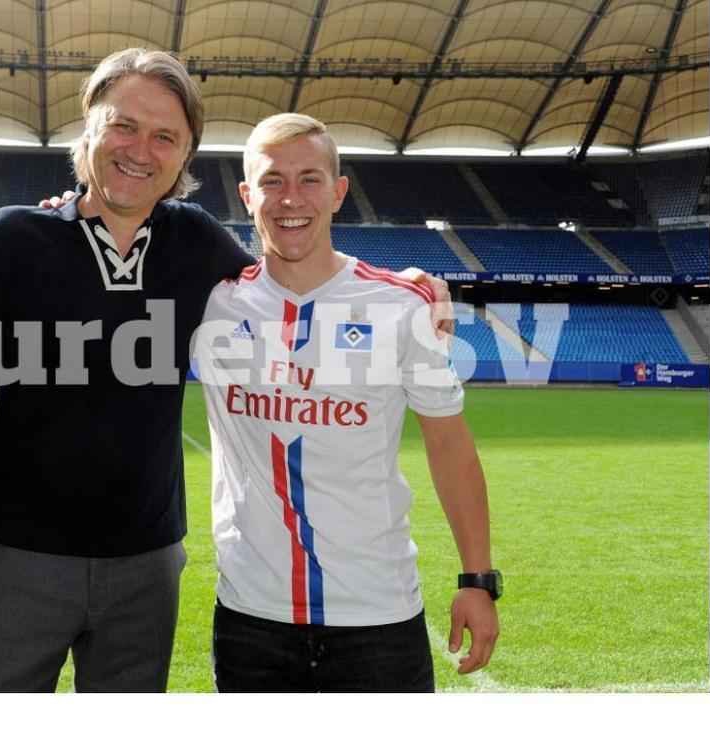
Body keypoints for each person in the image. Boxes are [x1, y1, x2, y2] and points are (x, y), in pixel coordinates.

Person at [0, 48, 451, 692]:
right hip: (18, 561)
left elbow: (294, 260)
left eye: (164, 137)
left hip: (146, 571)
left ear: (184, 156)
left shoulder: (196, 241)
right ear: (88, 128)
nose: (140, 149)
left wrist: (406, 281)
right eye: (124, 126)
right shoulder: (10, 237)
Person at [195, 113, 500, 692]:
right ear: (245, 195)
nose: (291, 198)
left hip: (378, 616)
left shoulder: (400, 304)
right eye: (272, 180)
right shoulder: (212, 301)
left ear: (338, 192)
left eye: (309, 179)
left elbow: (451, 449)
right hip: (250, 618)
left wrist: (477, 579)